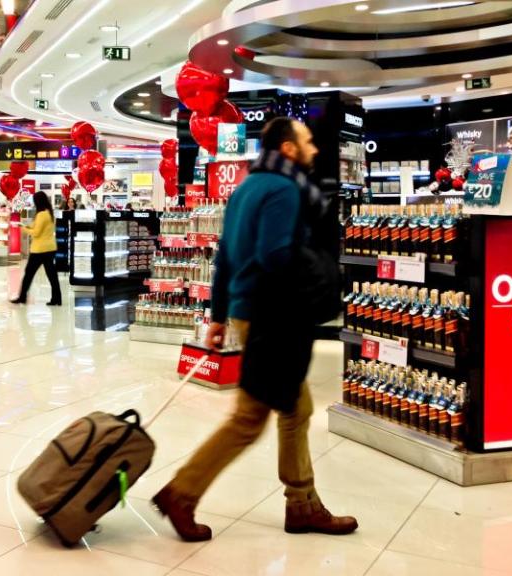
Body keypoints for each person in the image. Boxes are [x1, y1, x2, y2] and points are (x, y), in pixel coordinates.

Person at [152, 117, 358, 542]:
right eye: (307, 142)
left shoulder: (245, 188)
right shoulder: (283, 189)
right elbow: (275, 255)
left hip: (250, 311)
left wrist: (217, 317)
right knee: (250, 418)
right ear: (287, 149)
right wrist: (317, 278)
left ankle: (302, 504)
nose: (314, 150)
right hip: (274, 314)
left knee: (296, 410)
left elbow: (225, 257)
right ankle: (182, 492)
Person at [11, 191, 62, 306]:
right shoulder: (49, 213)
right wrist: (25, 225)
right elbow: (37, 227)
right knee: (52, 274)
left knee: (29, 273)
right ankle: (57, 298)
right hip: (50, 248)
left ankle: (22, 297)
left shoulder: (41, 215)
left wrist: (22, 229)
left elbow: (36, 233)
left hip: (40, 250)